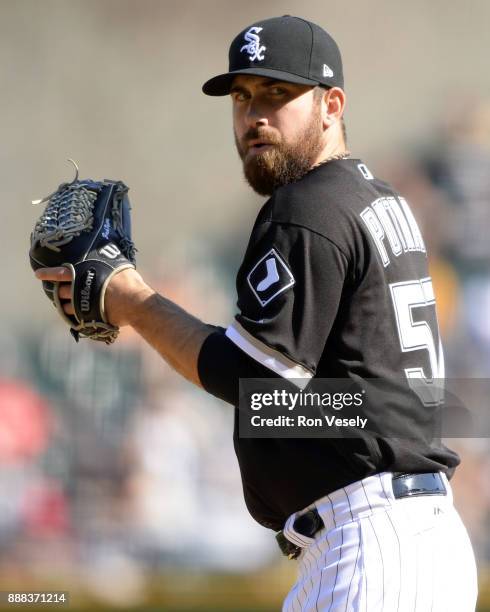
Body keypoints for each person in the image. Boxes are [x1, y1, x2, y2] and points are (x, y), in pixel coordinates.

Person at [35, 15, 478, 612]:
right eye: (242, 97)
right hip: (411, 536)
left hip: (372, 542)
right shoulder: (374, 198)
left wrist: (134, 300)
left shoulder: (307, 206)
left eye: (278, 93)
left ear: (332, 105)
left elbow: (251, 375)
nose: (255, 115)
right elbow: (335, 399)